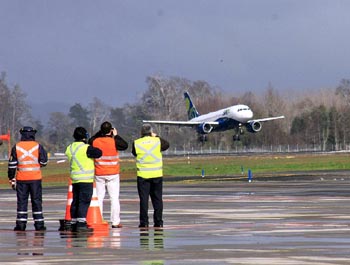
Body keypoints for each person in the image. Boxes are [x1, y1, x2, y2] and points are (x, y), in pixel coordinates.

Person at [89, 121, 128, 228]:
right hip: (113, 173)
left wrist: (100, 133)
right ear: (110, 130)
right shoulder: (114, 141)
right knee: (114, 198)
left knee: (99, 198)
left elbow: (90, 140)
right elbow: (124, 145)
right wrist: (115, 135)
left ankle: (99, 219)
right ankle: (115, 221)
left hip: (99, 172)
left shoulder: (95, 141)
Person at [8, 126, 48, 231]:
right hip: (35, 179)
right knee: (37, 201)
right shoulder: (38, 146)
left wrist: (11, 178)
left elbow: (12, 165)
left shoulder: (16, 147)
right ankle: (39, 225)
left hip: (21, 179)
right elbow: (44, 162)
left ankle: (21, 225)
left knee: (22, 202)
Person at [132, 123, 169, 229]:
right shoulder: (157, 141)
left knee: (143, 200)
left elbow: (134, 153)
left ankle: (144, 222)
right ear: (151, 132)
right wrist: (156, 136)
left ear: (141, 132)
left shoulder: (137, 143)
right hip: (156, 174)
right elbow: (166, 145)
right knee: (157, 199)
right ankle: (158, 221)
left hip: (143, 175)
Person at [65, 127, 102, 232]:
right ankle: (81, 223)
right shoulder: (87, 148)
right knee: (84, 201)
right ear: (85, 137)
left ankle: (73, 222)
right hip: (86, 179)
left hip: (75, 179)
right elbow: (99, 153)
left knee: (75, 201)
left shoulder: (70, 148)